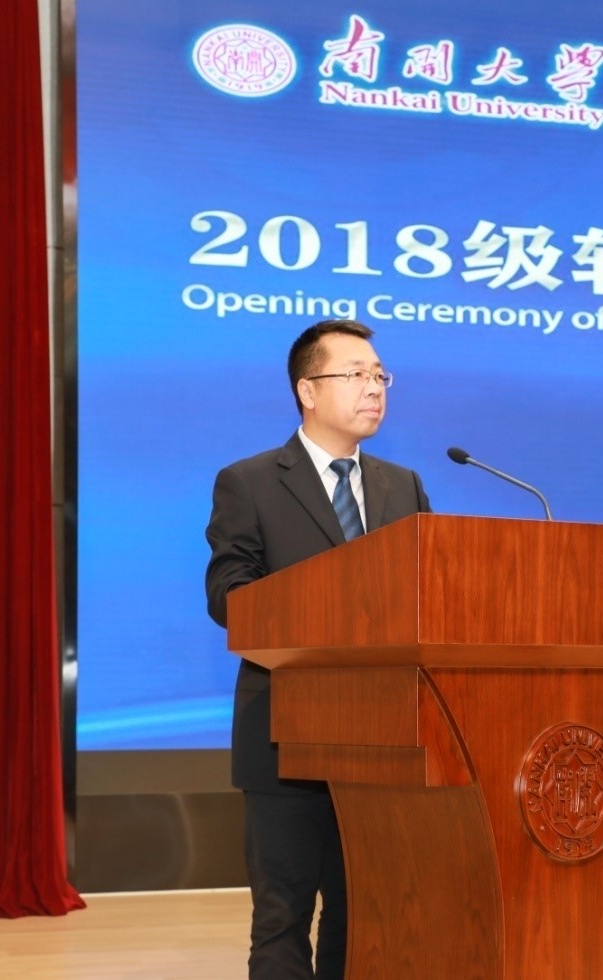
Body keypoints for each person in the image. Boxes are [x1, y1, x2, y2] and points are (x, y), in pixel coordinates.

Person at [204, 319, 430, 979]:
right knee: (283, 918)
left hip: (382, 741)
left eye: (380, 375)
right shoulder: (249, 481)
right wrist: (327, 605)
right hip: (285, 736)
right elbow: (229, 597)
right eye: (357, 374)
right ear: (307, 390)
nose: (375, 388)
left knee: (362, 917)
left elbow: (429, 594)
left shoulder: (404, 486)